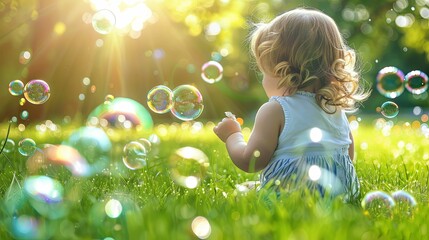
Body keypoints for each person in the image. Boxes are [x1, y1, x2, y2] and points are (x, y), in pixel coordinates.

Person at [213, 8, 369, 201]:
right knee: (253, 187)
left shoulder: (275, 110)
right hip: (339, 194)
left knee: (242, 193)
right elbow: (348, 158)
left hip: (292, 196)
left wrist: (232, 135)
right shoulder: (335, 109)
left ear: (282, 71)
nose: (262, 81)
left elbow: (250, 161)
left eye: (264, 73)